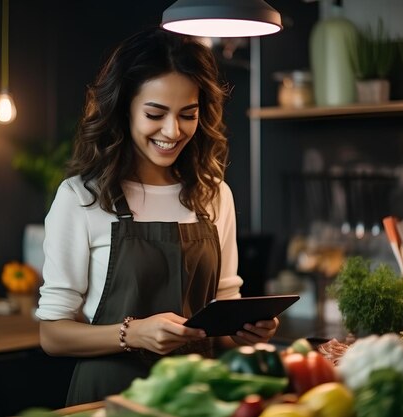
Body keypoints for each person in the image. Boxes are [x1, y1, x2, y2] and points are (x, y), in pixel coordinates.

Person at [36, 26, 279, 406]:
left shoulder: (213, 195)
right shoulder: (81, 198)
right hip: (109, 401)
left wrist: (247, 329)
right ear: (124, 108)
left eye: (188, 114)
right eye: (155, 113)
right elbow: (52, 335)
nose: (173, 131)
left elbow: (224, 312)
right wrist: (131, 334)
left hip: (198, 400)